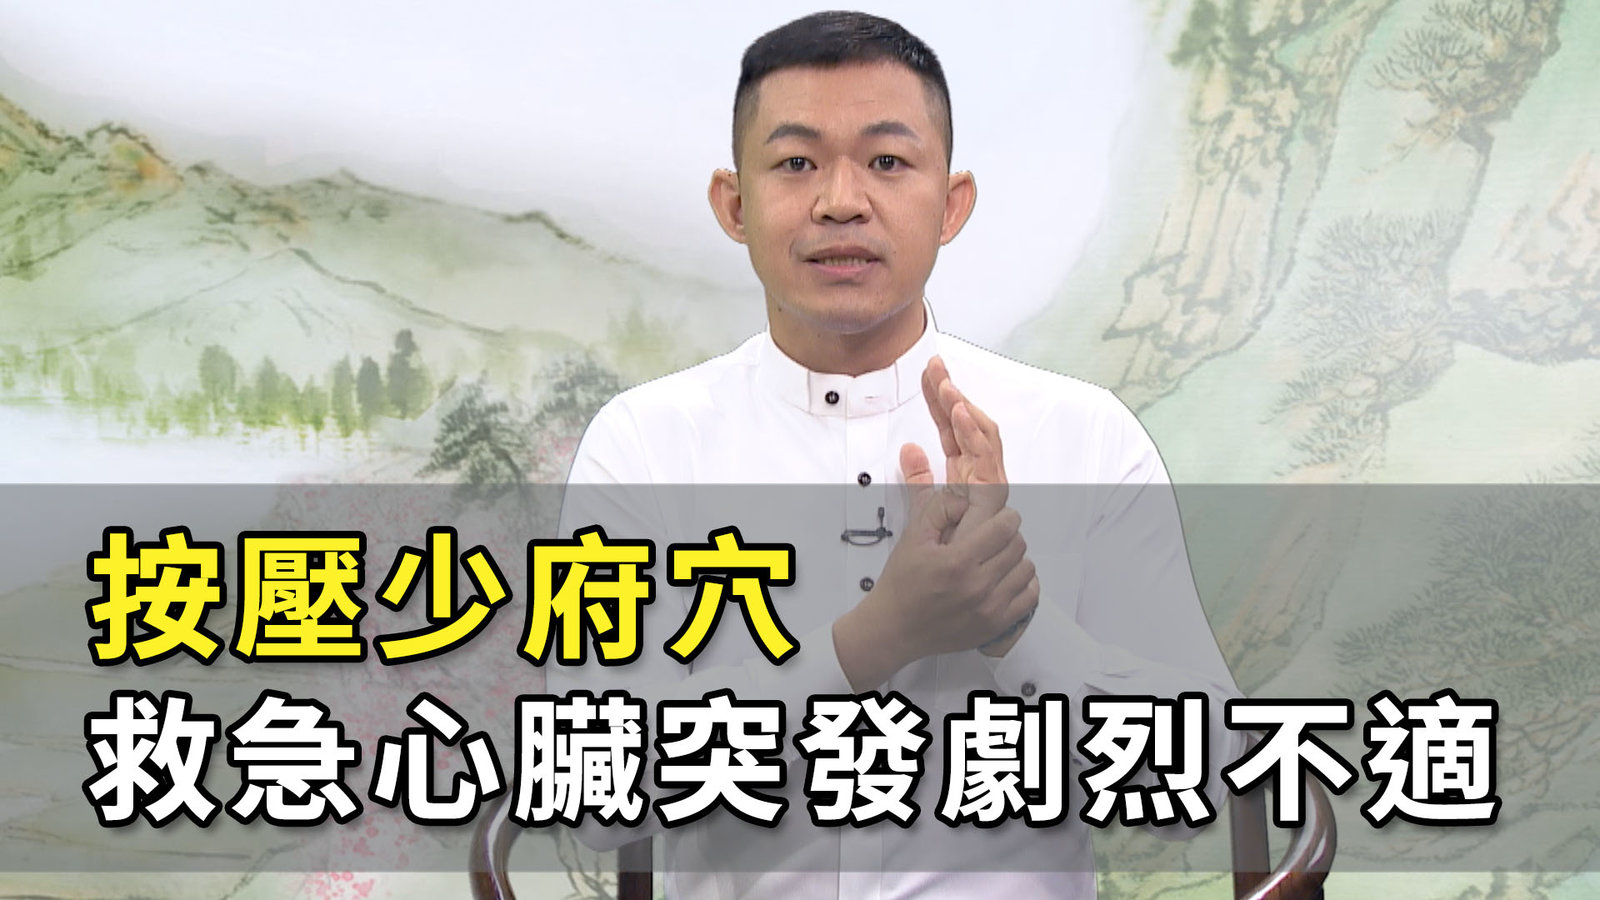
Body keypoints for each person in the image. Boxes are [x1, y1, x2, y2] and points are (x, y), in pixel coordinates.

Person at [548, 11, 1247, 898]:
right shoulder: (646, 443)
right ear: (735, 205)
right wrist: (871, 641)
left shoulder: (1083, 435)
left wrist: (1017, 629)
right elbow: (592, 796)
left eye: (886, 161)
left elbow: (1207, 773)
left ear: (951, 204)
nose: (841, 200)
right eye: (796, 163)